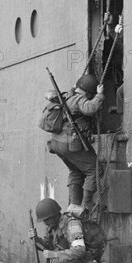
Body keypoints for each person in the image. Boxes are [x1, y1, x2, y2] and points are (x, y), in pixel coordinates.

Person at [47, 74, 105, 210]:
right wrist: (100, 95)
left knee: (76, 170)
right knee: (95, 169)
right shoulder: (79, 100)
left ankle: (74, 205)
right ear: (89, 92)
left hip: (57, 143)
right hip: (69, 144)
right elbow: (90, 108)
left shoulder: (67, 96)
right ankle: (87, 203)